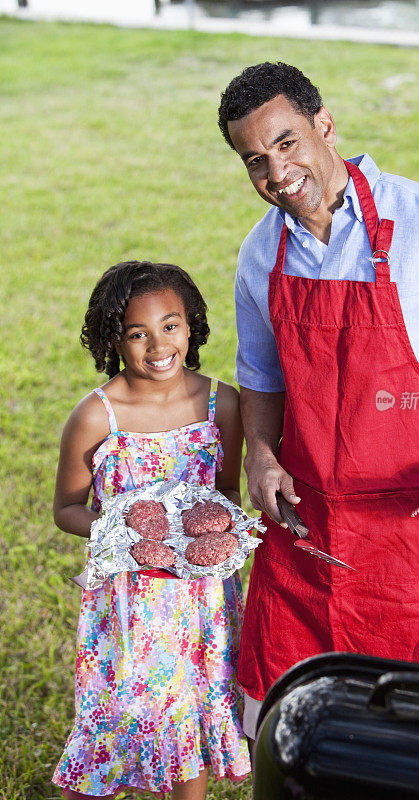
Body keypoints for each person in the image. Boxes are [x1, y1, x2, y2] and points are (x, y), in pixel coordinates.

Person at [217, 62, 419, 738]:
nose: (275, 173)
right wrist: (262, 459)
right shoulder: (260, 254)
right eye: (254, 161)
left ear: (324, 126)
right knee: (300, 736)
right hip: (308, 535)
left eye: (286, 143)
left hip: (417, 534)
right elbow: (261, 378)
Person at [52, 261, 251, 799]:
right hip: (128, 602)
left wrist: (212, 537)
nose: (157, 344)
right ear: (112, 338)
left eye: (170, 325)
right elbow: (67, 509)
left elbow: (227, 492)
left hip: (200, 601)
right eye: (136, 333)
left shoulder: (221, 403)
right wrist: (126, 535)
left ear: (192, 326)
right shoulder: (96, 416)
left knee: (189, 710)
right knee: (116, 712)